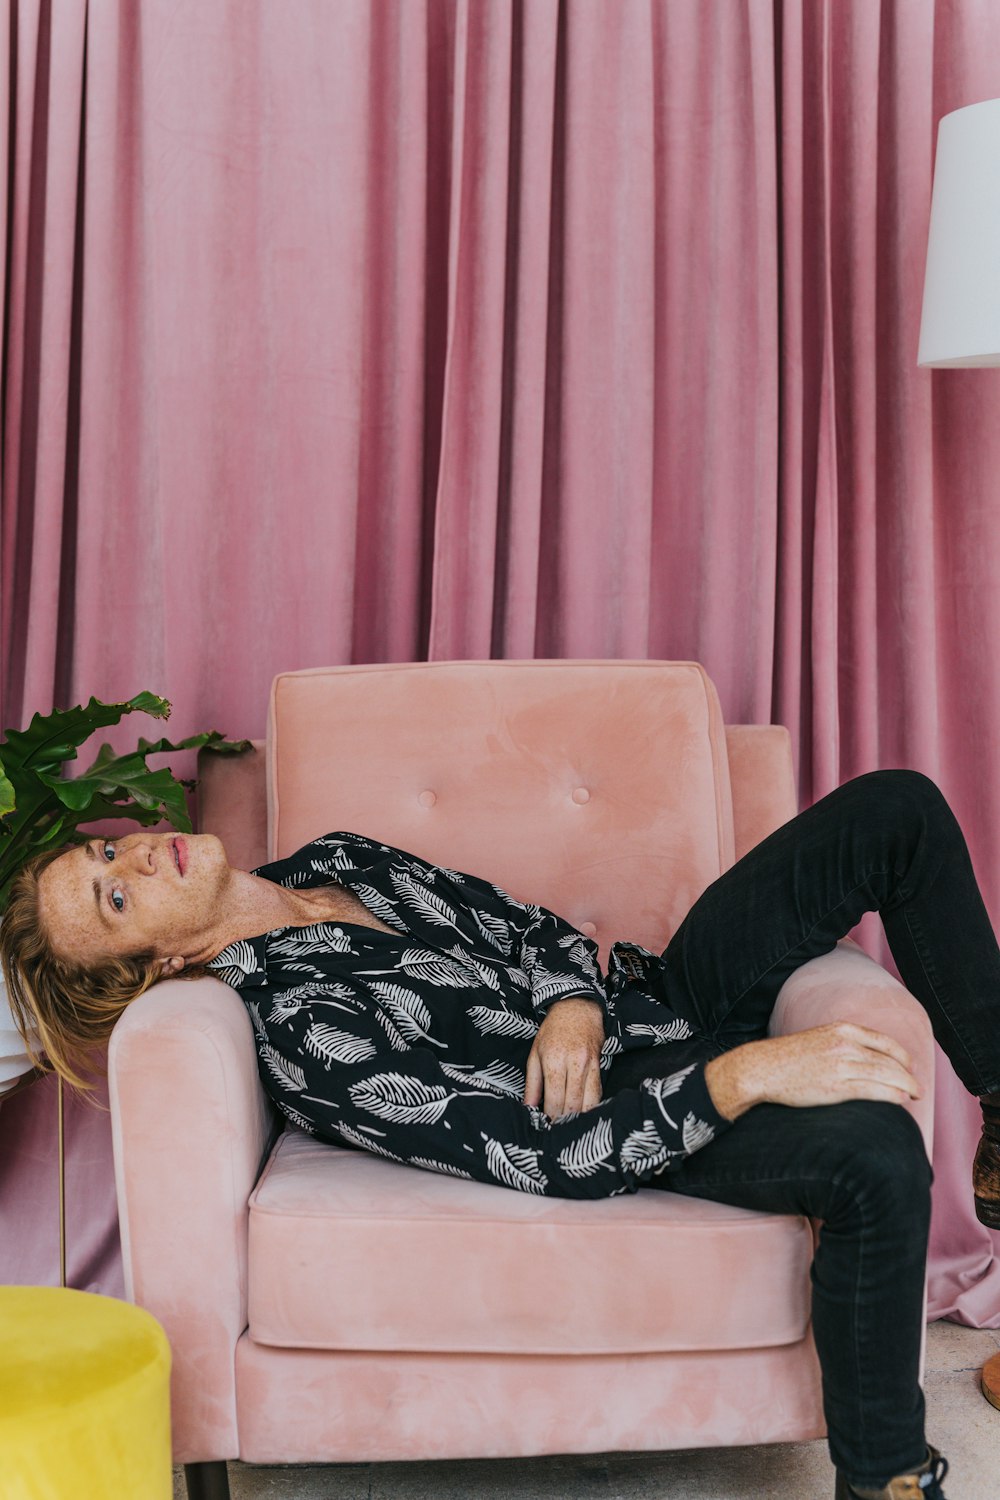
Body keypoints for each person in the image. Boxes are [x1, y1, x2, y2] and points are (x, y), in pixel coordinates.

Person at [3, 768, 996, 1500]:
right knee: (873, 1153)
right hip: (629, 1110)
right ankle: (887, 1478)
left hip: (645, 1000)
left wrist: (571, 1002)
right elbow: (542, 1154)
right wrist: (745, 1073)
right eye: (117, 899)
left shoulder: (339, 857)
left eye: (102, 854)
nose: (130, 854)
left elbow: (527, 925)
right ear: (159, 960)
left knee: (894, 810)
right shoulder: (303, 1032)